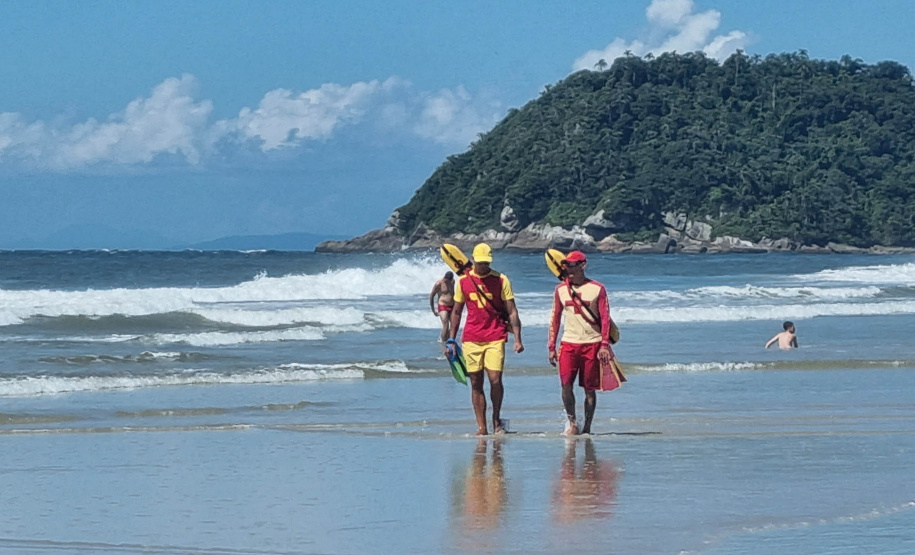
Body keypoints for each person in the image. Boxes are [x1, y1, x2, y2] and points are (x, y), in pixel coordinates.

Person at [446, 243, 524, 435]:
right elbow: (456, 312)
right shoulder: (463, 281)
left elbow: (512, 310)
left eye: (486, 263)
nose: (483, 266)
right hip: (471, 337)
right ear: (473, 260)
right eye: (480, 263)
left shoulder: (501, 280)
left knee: (495, 379)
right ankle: (482, 427)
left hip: (495, 335)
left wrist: (518, 339)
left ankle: (496, 420)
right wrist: (450, 340)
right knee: (475, 382)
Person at [547, 251, 616, 435]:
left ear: (583, 265)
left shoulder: (597, 288)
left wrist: (603, 345)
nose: (568, 268)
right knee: (565, 385)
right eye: (566, 265)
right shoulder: (560, 290)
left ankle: (587, 427)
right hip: (569, 344)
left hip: (592, 344)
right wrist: (551, 346)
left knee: (589, 389)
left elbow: (605, 318)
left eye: (572, 264)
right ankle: (572, 422)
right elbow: (554, 318)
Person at [429, 271, 455, 342]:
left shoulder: (452, 281)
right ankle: (443, 343)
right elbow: (431, 296)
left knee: (453, 325)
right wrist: (433, 310)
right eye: (447, 281)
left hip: (452, 305)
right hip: (443, 305)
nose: (448, 282)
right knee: (446, 325)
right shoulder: (439, 284)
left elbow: (453, 293)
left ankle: (449, 340)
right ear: (445, 278)